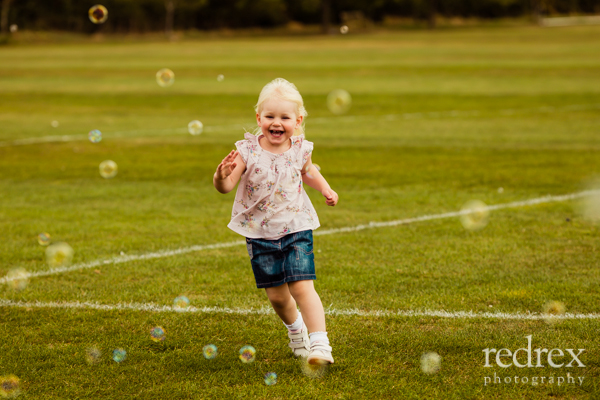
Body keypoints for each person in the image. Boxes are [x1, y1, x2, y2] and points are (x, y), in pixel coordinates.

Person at [213, 78, 338, 365]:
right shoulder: (247, 151)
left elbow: (308, 172)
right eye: (270, 116)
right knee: (278, 298)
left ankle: (321, 345)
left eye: (285, 117)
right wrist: (221, 175)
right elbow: (226, 186)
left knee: (302, 286)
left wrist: (326, 189)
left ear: (298, 120)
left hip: (296, 227)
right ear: (259, 118)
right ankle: (297, 333)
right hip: (259, 234)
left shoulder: (300, 149)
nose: (276, 123)